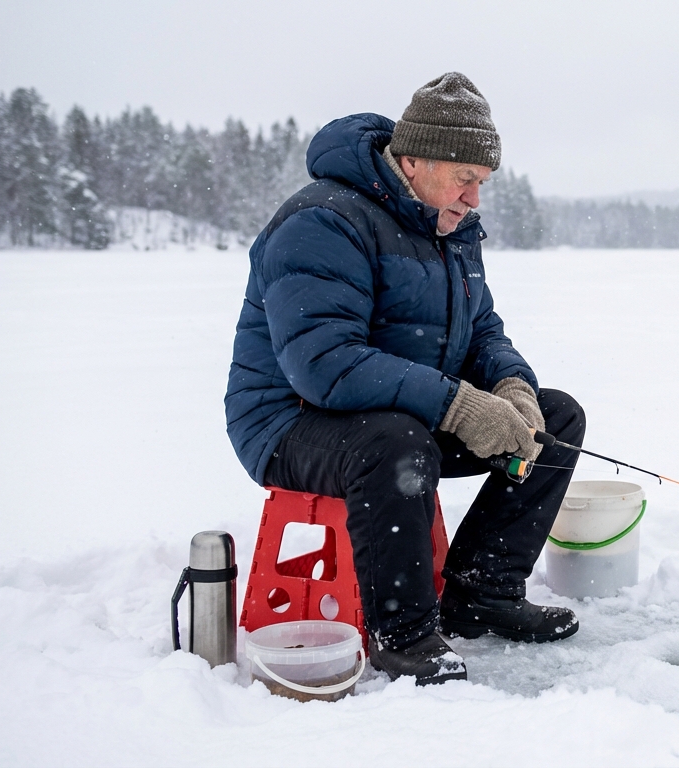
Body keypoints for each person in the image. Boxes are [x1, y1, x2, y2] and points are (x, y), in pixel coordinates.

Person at [224, 72, 585, 685]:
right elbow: (324, 365)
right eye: (464, 179)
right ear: (411, 159)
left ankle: (482, 591)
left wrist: (510, 388)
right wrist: (459, 408)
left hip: (401, 415)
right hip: (288, 423)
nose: (475, 199)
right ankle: (403, 633)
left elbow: (483, 332)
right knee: (394, 443)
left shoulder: (449, 228)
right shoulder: (322, 221)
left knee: (557, 417)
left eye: (482, 183)